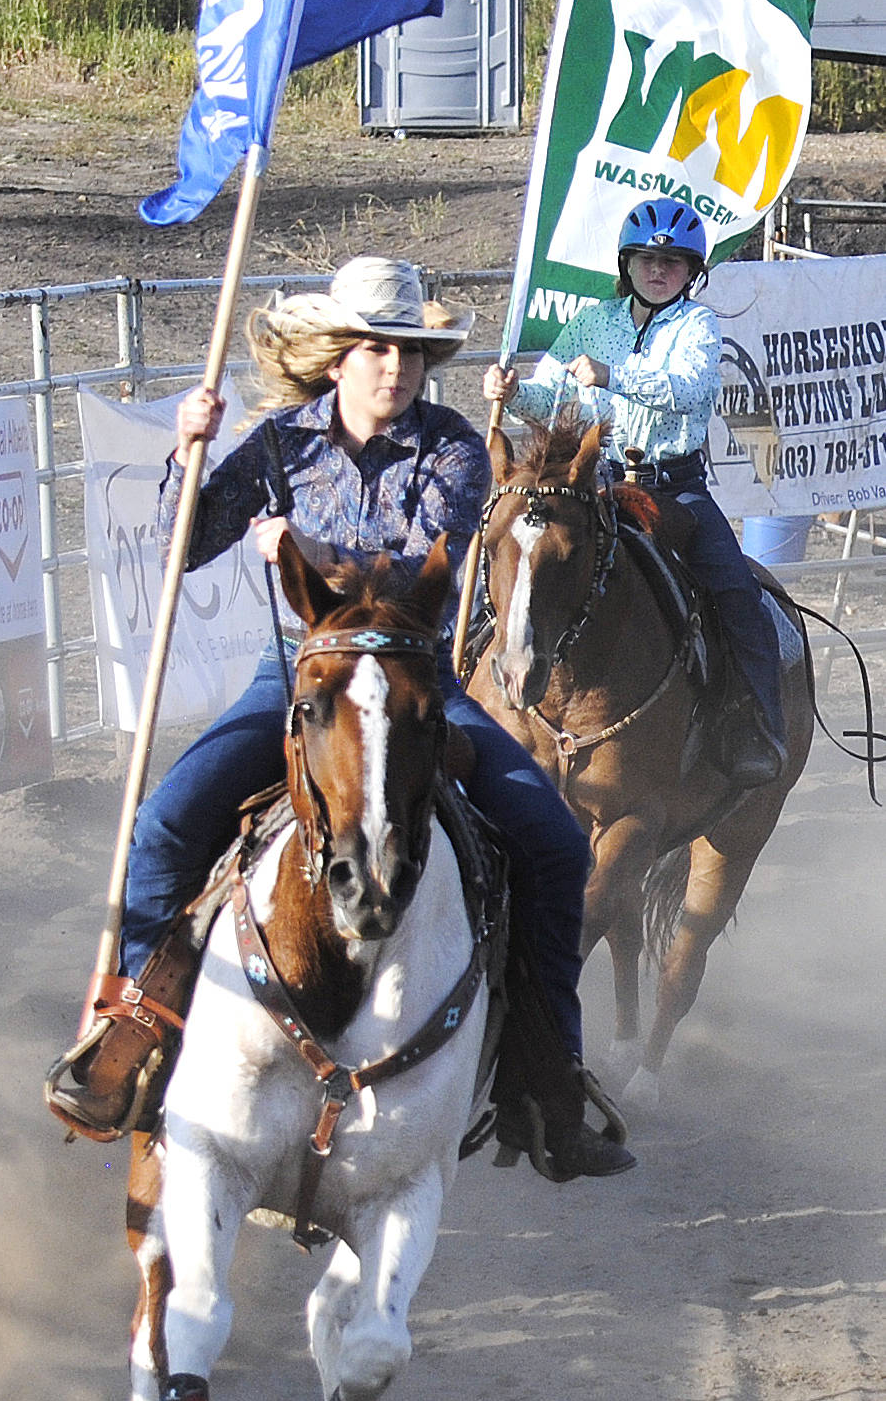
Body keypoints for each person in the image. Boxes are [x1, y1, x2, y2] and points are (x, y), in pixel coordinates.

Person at [62, 255, 633, 1179]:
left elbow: (417, 574)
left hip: (417, 688)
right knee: (164, 827)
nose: (395, 367)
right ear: (337, 357)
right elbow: (186, 543)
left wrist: (299, 547)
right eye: (375, 348)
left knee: (555, 847)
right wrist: (189, 454)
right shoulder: (283, 440)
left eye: (408, 350)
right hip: (296, 677)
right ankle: (140, 1038)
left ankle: (545, 1078)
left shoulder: (451, 447)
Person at [484, 196, 788, 788]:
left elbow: (689, 388)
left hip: (673, 487)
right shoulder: (593, 321)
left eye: (672, 262)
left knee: (737, 593)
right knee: (511, 561)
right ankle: (467, 686)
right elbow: (553, 398)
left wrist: (614, 374)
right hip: (589, 486)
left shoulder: (698, 325)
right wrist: (516, 390)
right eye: (646, 259)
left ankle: (754, 722)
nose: (658, 270)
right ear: (626, 264)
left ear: (691, 272)